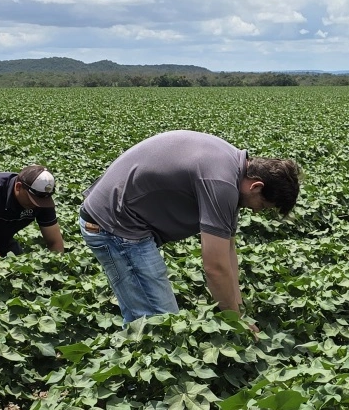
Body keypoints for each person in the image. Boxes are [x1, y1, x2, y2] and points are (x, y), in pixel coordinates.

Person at [78, 130, 299, 328]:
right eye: (263, 205)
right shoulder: (221, 183)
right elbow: (215, 267)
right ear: (256, 186)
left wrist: (239, 312)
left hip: (124, 221)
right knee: (158, 324)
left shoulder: (233, 169)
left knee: (156, 321)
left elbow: (228, 252)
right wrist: (236, 323)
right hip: (114, 225)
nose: (258, 211)